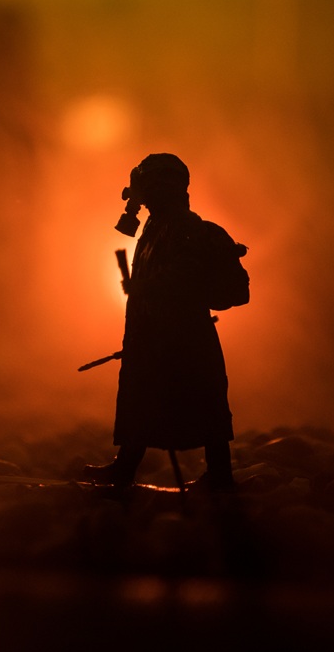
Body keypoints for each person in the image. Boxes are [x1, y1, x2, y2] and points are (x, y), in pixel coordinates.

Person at [83, 153, 249, 489]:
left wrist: (145, 287)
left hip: (183, 334)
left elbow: (183, 275)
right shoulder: (157, 226)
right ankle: (124, 470)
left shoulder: (184, 227)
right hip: (154, 332)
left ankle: (219, 478)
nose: (140, 202)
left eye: (145, 192)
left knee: (203, 404)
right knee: (142, 398)